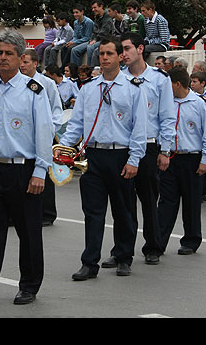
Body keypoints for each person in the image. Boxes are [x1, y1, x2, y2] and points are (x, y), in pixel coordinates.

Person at [0, 30, 54, 308]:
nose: (2, 58)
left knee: (28, 232)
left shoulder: (33, 91)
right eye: (0, 53)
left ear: (21, 57)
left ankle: (28, 285)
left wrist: (40, 171)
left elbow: (44, 132)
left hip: (23, 171)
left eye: (9, 54)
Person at [57, 37, 148, 280]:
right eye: (102, 54)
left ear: (120, 57)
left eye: (110, 53)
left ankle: (124, 256)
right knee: (93, 211)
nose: (105, 58)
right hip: (93, 156)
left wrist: (134, 159)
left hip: (120, 155)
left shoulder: (133, 88)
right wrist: (63, 148)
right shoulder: (88, 89)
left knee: (123, 210)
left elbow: (139, 129)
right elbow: (76, 125)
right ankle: (89, 262)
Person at [99, 32, 175, 266]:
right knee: (123, 202)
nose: (123, 54)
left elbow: (167, 116)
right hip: (124, 147)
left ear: (140, 49)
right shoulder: (118, 78)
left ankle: (153, 245)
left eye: (127, 48)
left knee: (149, 198)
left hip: (150, 145)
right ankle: (122, 249)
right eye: (120, 50)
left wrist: (165, 150)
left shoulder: (159, 78)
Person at [157, 67, 206, 255]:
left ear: (178, 84)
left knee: (191, 202)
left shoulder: (198, 104)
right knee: (166, 203)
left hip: (191, 158)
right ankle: (158, 242)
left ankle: (191, 240)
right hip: (170, 157)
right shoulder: (165, 104)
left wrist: (205, 159)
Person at [20, 49, 63, 227]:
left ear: (35, 64)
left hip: (44, 133)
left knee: (44, 172)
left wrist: (50, 131)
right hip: (24, 135)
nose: (22, 65)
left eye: (26, 62)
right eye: (21, 62)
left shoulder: (47, 83)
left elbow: (56, 110)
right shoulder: (19, 82)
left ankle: (47, 213)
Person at [189, 71, 206, 202]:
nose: (192, 84)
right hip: (194, 135)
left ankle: (204, 191)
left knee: (205, 162)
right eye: (191, 81)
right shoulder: (190, 97)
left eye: (195, 82)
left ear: (203, 83)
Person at [71, 0, 113, 67]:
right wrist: (92, 39)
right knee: (75, 50)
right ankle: (75, 71)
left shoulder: (107, 17)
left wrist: (95, 40)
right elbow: (94, 31)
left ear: (101, 6)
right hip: (94, 39)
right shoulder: (97, 17)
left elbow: (104, 32)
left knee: (90, 47)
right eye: (92, 8)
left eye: (95, 7)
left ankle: (90, 69)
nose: (93, 10)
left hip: (104, 39)